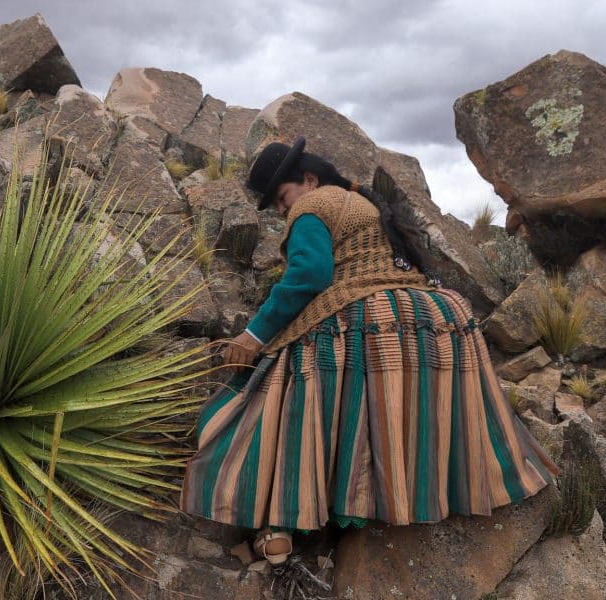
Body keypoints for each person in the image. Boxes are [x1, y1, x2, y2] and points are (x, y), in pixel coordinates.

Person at [180, 136, 558, 565]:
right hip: (435, 316)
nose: (283, 211)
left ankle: (281, 520)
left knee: (277, 393)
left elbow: (309, 275)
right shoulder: (365, 204)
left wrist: (254, 335)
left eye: (282, 198)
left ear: (308, 179)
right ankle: (441, 490)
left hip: (368, 314)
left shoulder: (311, 206)